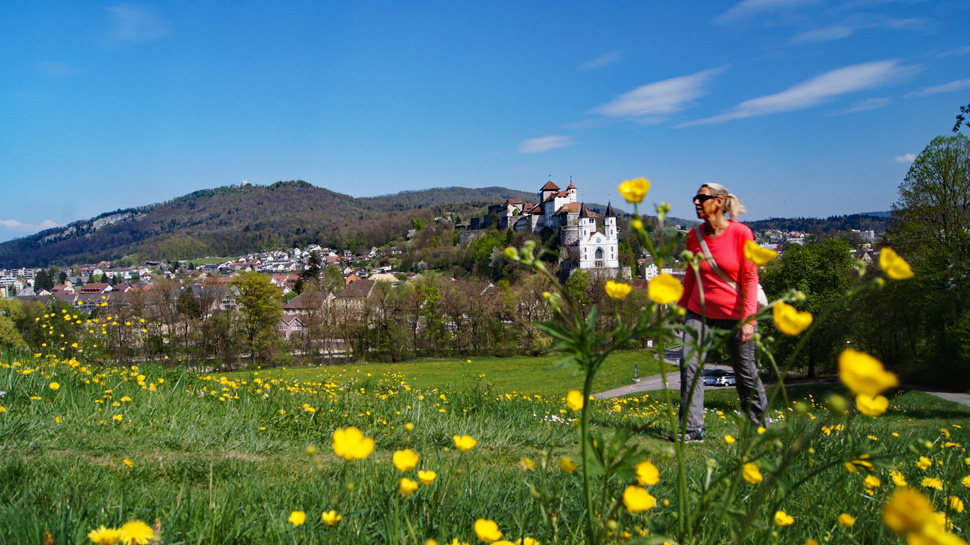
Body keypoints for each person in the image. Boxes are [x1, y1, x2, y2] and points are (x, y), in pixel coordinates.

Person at [674, 183, 767, 442]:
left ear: (719, 201)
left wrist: (749, 319)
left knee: (745, 373)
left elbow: (749, 277)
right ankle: (692, 430)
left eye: (702, 198)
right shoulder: (694, 237)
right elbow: (692, 274)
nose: (696, 202)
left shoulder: (741, 233)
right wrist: (682, 308)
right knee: (689, 365)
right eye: (695, 198)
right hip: (699, 312)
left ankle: (759, 429)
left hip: (736, 315)